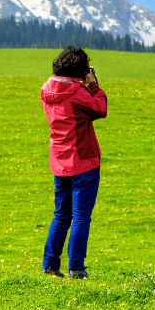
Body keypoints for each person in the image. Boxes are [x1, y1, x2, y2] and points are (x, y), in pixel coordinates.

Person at [40, 45, 106, 279]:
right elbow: (100, 109)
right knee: (80, 217)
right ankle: (76, 268)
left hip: (59, 160)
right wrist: (93, 84)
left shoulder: (46, 89)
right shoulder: (78, 92)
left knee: (61, 215)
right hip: (83, 160)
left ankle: (50, 264)